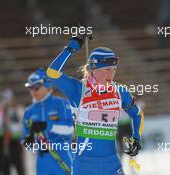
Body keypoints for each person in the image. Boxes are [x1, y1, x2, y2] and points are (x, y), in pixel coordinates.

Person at [46, 36, 144, 175]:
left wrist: (136, 138)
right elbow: (52, 73)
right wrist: (72, 47)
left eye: (114, 69)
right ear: (93, 68)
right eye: (107, 69)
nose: (111, 74)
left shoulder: (120, 91)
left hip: (112, 164)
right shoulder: (78, 89)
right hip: (85, 166)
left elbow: (137, 114)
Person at [21, 68, 74, 175]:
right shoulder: (29, 111)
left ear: (47, 85)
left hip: (62, 156)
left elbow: (69, 129)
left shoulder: (61, 103)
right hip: (42, 159)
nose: (33, 91)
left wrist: (48, 126)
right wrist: (29, 143)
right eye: (30, 88)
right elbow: (25, 139)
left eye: (36, 87)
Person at [1, 89, 25, 175]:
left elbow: (21, 126)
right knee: (6, 166)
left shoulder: (18, 109)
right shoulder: (2, 111)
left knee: (19, 165)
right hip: (5, 141)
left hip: (16, 141)